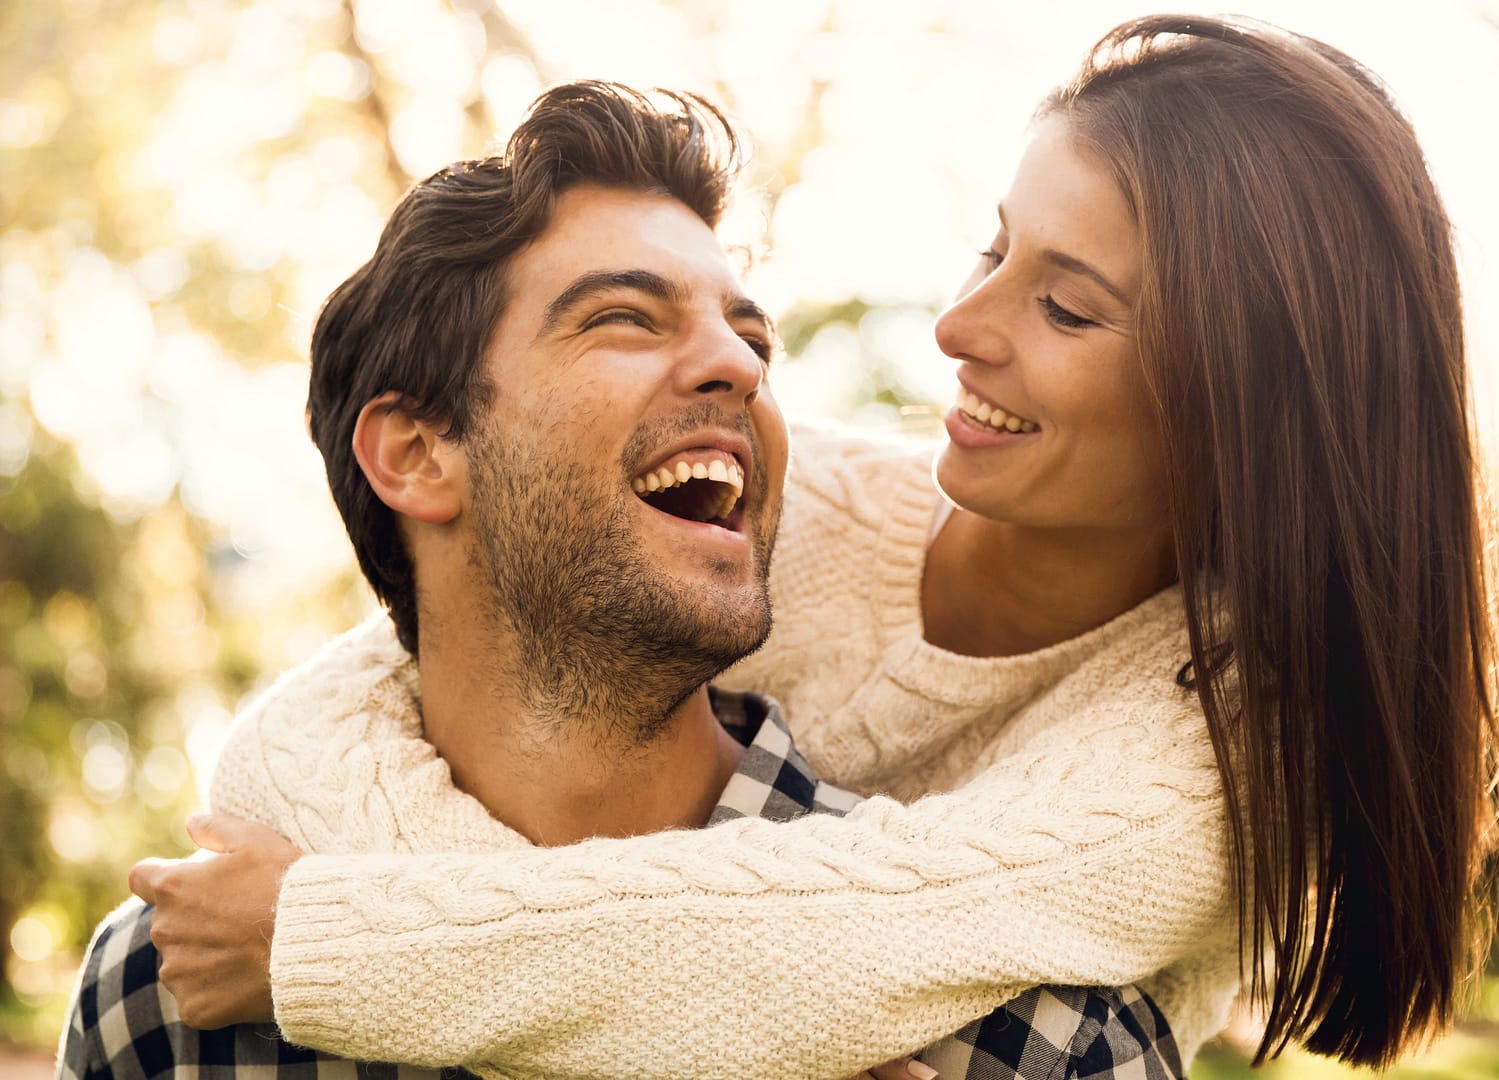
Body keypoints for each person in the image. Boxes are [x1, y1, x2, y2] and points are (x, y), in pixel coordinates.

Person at [124, 13, 1499, 1079]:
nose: (958, 329)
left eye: (1070, 308)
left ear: (1238, 415)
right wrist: (295, 928)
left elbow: (845, 942)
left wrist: (328, 944)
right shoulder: (778, 514)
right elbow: (373, 691)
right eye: (994, 252)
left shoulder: (1209, 755)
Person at [57, 81, 1181, 1080]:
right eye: (626, 318)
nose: (741, 364)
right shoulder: (171, 1001)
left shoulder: (1036, 1039)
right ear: (415, 454)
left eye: (752, 337)